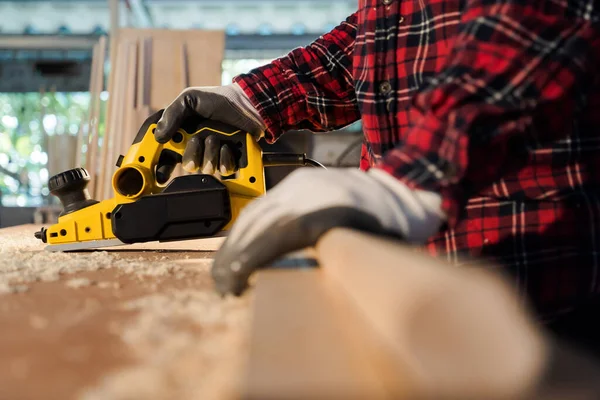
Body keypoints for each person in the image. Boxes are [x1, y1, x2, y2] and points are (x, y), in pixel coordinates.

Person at [154, 1, 600, 329]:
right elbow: (381, 34)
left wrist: (411, 181)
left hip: (531, 284)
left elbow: (536, 30)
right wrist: (252, 100)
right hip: (407, 282)